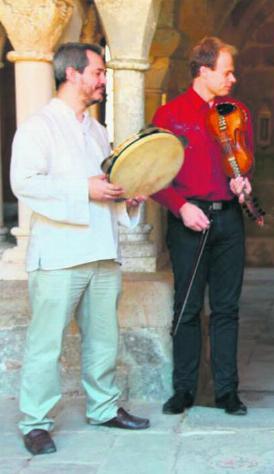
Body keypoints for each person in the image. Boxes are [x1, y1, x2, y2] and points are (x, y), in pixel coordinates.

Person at [10, 42, 150, 456]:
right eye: (98, 72)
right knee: (45, 343)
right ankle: (35, 421)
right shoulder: (38, 126)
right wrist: (84, 189)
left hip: (102, 250)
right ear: (72, 74)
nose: (103, 79)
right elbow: (25, 183)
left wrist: (126, 198)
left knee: (103, 339)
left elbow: (105, 186)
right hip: (57, 256)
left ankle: (104, 406)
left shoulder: (97, 130)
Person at [151, 37, 254, 416]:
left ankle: (227, 392)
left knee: (227, 308)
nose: (233, 78)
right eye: (226, 71)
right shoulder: (170, 115)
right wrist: (180, 208)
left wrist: (243, 182)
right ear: (203, 71)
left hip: (228, 217)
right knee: (188, 308)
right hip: (188, 219)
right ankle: (184, 390)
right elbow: (153, 176)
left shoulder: (237, 110)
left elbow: (245, 159)